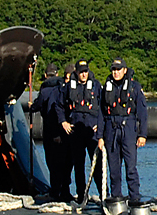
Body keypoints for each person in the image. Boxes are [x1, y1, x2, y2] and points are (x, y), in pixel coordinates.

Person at [100, 59, 148, 206]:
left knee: (130, 167)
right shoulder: (106, 87)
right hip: (111, 129)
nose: (116, 72)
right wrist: (100, 137)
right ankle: (116, 199)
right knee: (114, 169)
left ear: (125, 70)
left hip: (128, 128)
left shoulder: (134, 87)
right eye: (114, 69)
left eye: (119, 69)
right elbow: (101, 113)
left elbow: (142, 113)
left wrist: (142, 134)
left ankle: (134, 198)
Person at [59, 60, 104, 201]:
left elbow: (104, 105)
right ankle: (81, 195)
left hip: (92, 128)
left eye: (85, 72)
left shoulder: (96, 86)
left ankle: (104, 195)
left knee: (97, 164)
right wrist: (63, 122)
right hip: (76, 128)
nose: (84, 74)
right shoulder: (68, 87)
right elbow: (59, 105)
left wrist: (100, 124)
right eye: (81, 72)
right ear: (76, 73)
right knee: (78, 164)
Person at [34, 66, 76, 200]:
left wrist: (31, 106)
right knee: (66, 163)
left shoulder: (46, 91)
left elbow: (39, 107)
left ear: (46, 75)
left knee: (54, 163)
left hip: (52, 131)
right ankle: (64, 190)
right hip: (64, 131)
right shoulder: (62, 90)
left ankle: (56, 190)